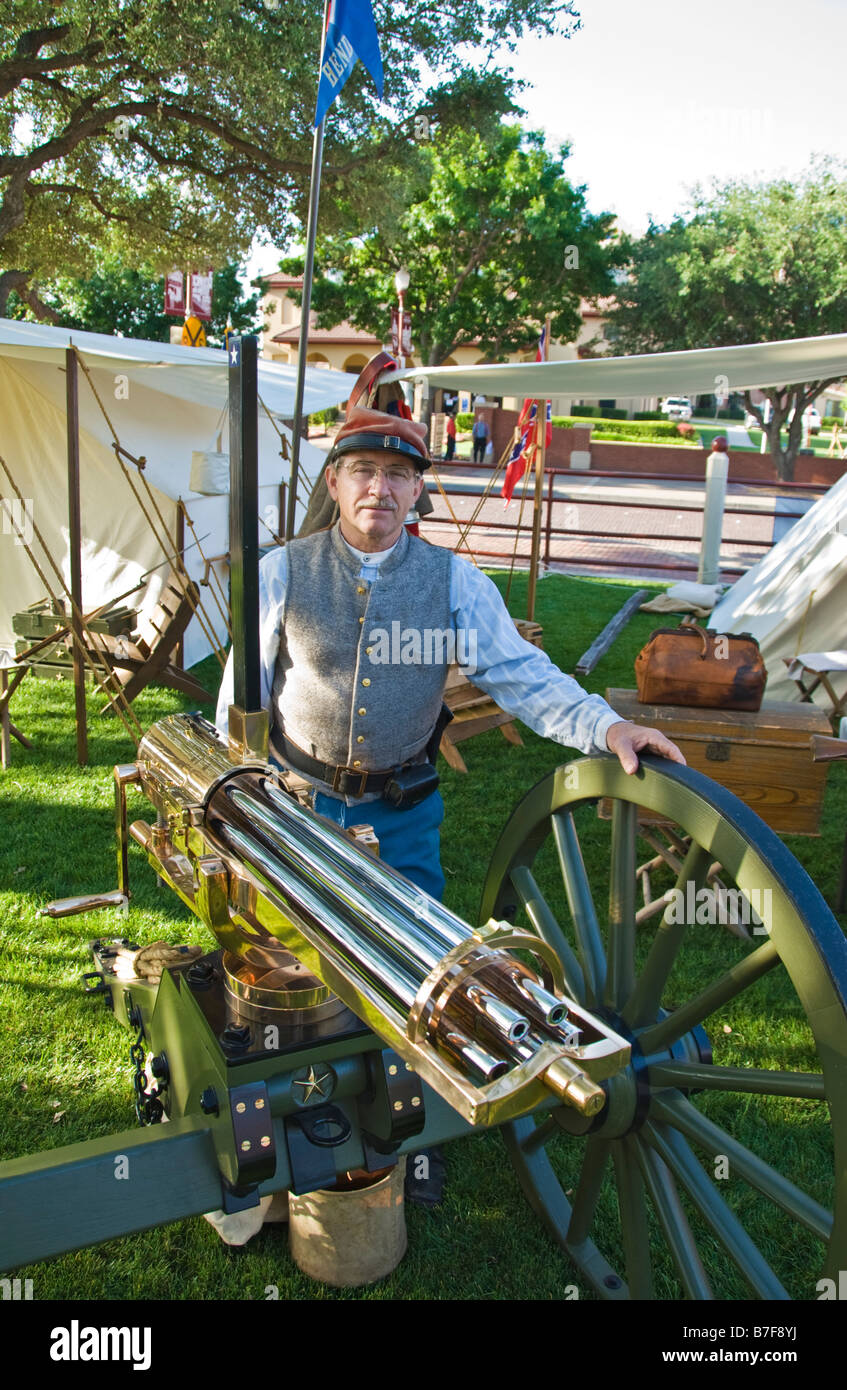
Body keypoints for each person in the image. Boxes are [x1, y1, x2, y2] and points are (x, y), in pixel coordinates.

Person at [216, 404, 685, 901]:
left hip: (402, 813)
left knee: (410, 958)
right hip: (293, 802)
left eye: (398, 474)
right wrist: (234, 789)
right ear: (334, 482)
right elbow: (240, 695)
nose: (380, 488)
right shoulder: (282, 572)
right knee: (292, 949)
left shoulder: (455, 581)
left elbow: (523, 674)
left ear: (416, 492)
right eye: (364, 471)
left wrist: (609, 727)